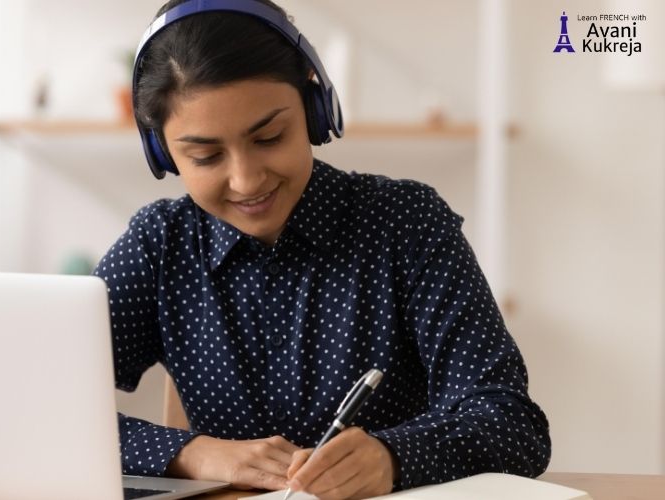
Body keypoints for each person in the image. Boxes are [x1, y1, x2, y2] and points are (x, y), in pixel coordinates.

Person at [93, 0, 551, 498]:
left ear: (314, 111)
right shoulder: (159, 246)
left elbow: (512, 421)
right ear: (162, 151)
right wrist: (193, 452)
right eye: (206, 156)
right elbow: (29, 406)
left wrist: (393, 457)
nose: (247, 180)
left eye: (269, 136)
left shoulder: (407, 223)